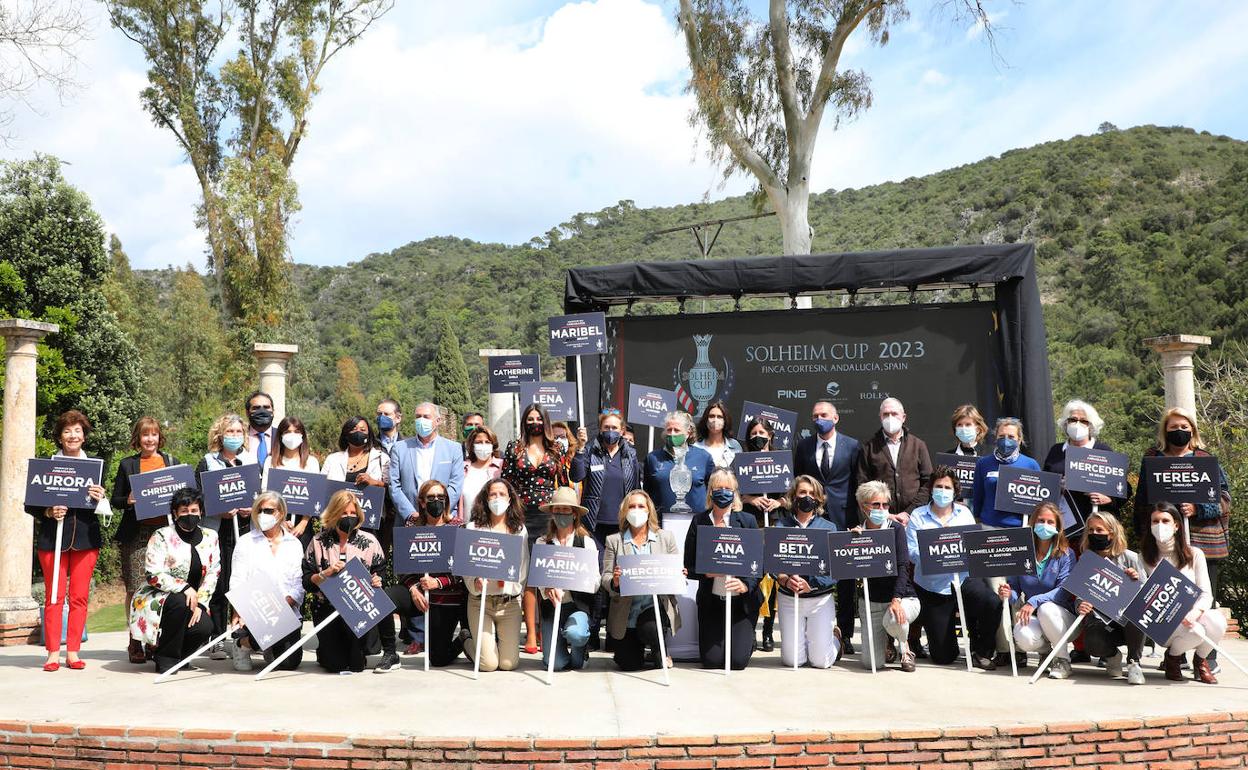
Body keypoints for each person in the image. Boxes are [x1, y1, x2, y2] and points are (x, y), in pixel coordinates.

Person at [28, 410, 108, 671]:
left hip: (86, 540)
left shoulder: (97, 467)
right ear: (60, 437)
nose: (73, 435)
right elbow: (30, 503)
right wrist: (48, 511)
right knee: (54, 596)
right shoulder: (46, 465)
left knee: (79, 596)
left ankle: (73, 651)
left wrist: (101, 498)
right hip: (53, 540)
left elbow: (104, 509)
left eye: (77, 431)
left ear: (84, 436)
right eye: (67, 431)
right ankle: (52, 652)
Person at [906, 467, 1002, 669]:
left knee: (991, 602)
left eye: (947, 487)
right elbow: (912, 552)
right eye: (938, 486)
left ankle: (982, 650)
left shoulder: (964, 513)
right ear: (931, 489)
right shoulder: (918, 516)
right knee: (943, 657)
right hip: (933, 587)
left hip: (963, 579)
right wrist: (937, 546)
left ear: (955, 490)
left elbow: (973, 547)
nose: (942, 491)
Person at [1133, 407, 1231, 603]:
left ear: (1192, 430)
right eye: (1174, 426)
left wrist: (1198, 508)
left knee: (1203, 602)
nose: (1179, 430)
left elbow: (1224, 498)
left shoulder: (1205, 459)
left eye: (1184, 426)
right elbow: (1142, 499)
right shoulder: (1152, 459)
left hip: (1203, 542)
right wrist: (1143, 533)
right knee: (1166, 603)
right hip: (1163, 545)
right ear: (1165, 430)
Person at [373, 480, 466, 672]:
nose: (436, 501)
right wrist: (414, 588)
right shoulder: (412, 526)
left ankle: (463, 638)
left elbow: (464, 571)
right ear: (422, 502)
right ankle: (390, 653)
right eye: (431, 498)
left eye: (441, 498)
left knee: (438, 658)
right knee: (382, 599)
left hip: (446, 598)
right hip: (418, 593)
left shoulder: (458, 527)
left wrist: (438, 582)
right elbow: (403, 566)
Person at [793, 400, 862, 652]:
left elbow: (857, 483)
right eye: (814, 415)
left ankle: (844, 634)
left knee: (844, 579)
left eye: (823, 414)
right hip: (813, 519)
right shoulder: (803, 446)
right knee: (811, 569)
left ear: (835, 418)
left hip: (843, 518)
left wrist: (857, 521)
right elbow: (799, 481)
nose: (818, 418)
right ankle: (808, 630)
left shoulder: (853, 446)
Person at [502, 403, 571, 653]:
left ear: (545, 421)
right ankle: (530, 634)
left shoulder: (556, 448)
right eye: (529, 419)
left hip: (549, 515)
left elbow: (564, 482)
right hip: (521, 515)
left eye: (538, 418)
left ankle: (546, 631)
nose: (534, 423)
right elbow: (507, 482)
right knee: (529, 575)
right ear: (524, 422)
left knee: (546, 573)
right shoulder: (514, 447)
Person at [129, 487, 220, 675]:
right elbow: (153, 573)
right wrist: (185, 587)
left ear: (201, 512)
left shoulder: (212, 537)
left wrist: (201, 603)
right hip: (159, 595)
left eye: (194, 510)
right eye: (184, 511)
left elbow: (213, 572)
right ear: (175, 513)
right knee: (180, 602)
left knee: (205, 627)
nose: (190, 515)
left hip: (194, 598)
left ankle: (180, 656)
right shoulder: (161, 535)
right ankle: (166, 658)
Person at [572, 408, 642, 649]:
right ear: (600, 429)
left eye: (615, 428)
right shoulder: (591, 451)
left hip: (623, 527)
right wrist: (580, 448)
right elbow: (576, 474)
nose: (610, 432)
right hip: (594, 526)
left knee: (618, 579)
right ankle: (591, 631)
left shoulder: (630, 454)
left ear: (622, 430)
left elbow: (635, 486)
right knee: (596, 579)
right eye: (606, 428)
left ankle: (614, 634)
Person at [683, 468, 763, 670]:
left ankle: (747, 641)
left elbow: (759, 564)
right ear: (710, 491)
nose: (723, 492)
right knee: (712, 661)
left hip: (741, 603)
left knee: (736, 662)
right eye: (718, 488)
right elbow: (689, 564)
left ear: (735, 492)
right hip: (712, 602)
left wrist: (745, 584)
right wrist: (706, 572)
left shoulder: (747, 521)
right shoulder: (699, 521)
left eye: (728, 488)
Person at [111, 416, 175, 664]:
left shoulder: (171, 462)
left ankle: (155, 640)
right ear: (138, 438)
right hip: (136, 534)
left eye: (154, 434)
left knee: (163, 588)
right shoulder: (128, 465)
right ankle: (135, 641)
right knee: (135, 589)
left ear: (160, 437)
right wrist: (127, 500)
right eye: (145, 435)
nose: (150, 439)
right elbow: (116, 500)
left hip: (165, 534)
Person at [1140, 502, 1227, 684]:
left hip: (1192, 616)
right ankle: (1173, 658)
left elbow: (1206, 594)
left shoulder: (1194, 554)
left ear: (1176, 525)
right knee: (1196, 632)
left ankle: (1200, 661)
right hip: (1163, 622)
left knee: (1217, 621)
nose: (1160, 525)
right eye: (1155, 521)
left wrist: (1195, 612)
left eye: (1165, 520)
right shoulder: (1143, 557)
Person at [301, 490, 387, 674]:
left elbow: (381, 571)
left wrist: (378, 579)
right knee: (335, 665)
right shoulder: (318, 541)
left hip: (358, 609)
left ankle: (363, 647)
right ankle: (325, 650)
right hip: (327, 608)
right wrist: (326, 573)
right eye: (344, 513)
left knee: (356, 665)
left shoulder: (370, 541)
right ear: (334, 514)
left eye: (352, 513)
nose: (349, 517)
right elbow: (307, 582)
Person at [194, 412, 257, 658]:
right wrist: (218, 510)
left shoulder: (250, 460)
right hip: (217, 532)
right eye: (230, 432)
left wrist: (250, 508)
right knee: (219, 586)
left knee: (244, 583)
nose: (234, 436)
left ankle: (244, 638)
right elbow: (199, 498)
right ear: (220, 434)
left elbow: (259, 493)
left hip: (245, 530)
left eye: (238, 432)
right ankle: (216, 639)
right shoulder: (208, 461)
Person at [601, 491, 682, 671]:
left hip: (652, 607)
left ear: (649, 510)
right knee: (628, 665)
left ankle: (659, 649)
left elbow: (676, 571)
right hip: (626, 612)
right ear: (624, 511)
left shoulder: (665, 538)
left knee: (651, 628)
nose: (636, 510)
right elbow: (604, 577)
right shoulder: (614, 541)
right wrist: (614, 581)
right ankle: (637, 650)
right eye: (631, 506)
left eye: (641, 506)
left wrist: (678, 574)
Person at [998, 501, 1076, 677]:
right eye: (1041, 521)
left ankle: (1062, 660)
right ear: (1032, 523)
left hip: (1063, 617)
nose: (1045, 526)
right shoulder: (1021, 551)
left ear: (1058, 527)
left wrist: (1034, 601)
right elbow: (1016, 590)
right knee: (1022, 635)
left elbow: (1064, 591)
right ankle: (1046, 653)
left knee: (1046, 608)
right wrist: (1008, 594)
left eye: (1050, 522)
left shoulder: (1066, 554)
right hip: (1036, 616)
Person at [229, 491, 305, 672]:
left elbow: (299, 583)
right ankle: (243, 644)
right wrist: (239, 610)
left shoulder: (294, 544)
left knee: (289, 663)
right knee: (263, 626)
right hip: (255, 610)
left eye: (269, 511)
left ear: (281, 512)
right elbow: (237, 579)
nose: (264, 515)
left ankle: (270, 646)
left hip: (286, 610)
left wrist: (284, 604)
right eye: (260, 510)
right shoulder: (246, 542)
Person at [772, 475, 839, 669]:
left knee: (820, 662)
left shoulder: (829, 528)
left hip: (819, 599)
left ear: (818, 499)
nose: (807, 497)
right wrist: (784, 580)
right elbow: (774, 566)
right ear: (794, 496)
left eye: (812, 493)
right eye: (802, 492)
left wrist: (814, 584)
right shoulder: (781, 526)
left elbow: (835, 569)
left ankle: (835, 639)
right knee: (793, 661)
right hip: (789, 599)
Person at [463, 478, 529, 672]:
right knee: (488, 665)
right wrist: (475, 582)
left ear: (510, 499)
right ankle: (466, 640)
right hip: (480, 603)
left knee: (508, 664)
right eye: (493, 494)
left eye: (502, 494)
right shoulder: (473, 528)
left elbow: (523, 567)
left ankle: (495, 645)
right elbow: (466, 566)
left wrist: (513, 589)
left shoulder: (519, 530)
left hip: (509, 604)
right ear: (485, 498)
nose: (497, 498)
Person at [854, 481, 920, 672]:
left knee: (893, 618)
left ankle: (905, 646)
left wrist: (897, 599)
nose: (881, 509)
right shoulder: (857, 533)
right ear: (863, 506)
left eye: (885, 505)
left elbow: (903, 566)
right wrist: (851, 544)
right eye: (876, 504)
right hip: (872, 601)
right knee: (870, 663)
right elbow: (848, 569)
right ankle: (885, 644)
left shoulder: (896, 529)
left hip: (902, 597)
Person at [1073, 511, 1145, 684]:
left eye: (1099, 530)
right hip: (1101, 622)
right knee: (1092, 643)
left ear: (1111, 533)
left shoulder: (1130, 557)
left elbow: (1146, 595)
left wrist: (1135, 581)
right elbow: (1078, 594)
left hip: (1128, 623)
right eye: (1090, 530)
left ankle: (1134, 663)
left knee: (1136, 616)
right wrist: (1080, 605)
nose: (1094, 534)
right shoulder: (1086, 560)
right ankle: (1112, 657)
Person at [1043, 399, 1129, 533]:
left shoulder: (1104, 451)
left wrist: (1109, 499)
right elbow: (1045, 485)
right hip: (1062, 525)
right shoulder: (1056, 451)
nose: (1077, 424)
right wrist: (1056, 487)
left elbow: (1124, 489)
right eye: (1073, 420)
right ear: (1066, 423)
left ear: (1091, 426)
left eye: (1083, 421)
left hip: (1097, 527)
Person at [535, 487, 596, 671]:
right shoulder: (542, 542)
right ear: (552, 513)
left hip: (577, 605)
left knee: (576, 635)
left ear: (575, 514)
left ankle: (580, 650)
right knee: (555, 664)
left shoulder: (586, 543)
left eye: (566, 510)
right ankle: (559, 651)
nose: (561, 513)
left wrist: (576, 579)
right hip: (551, 608)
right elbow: (538, 579)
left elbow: (595, 581)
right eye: (557, 509)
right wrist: (547, 589)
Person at [739, 418, 781, 651]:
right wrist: (750, 499)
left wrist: (778, 502)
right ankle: (750, 630)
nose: (758, 436)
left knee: (772, 580)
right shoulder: (742, 462)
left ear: (771, 434)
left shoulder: (781, 460)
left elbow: (790, 493)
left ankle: (767, 631)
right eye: (754, 433)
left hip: (773, 525)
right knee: (752, 577)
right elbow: (734, 491)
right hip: (751, 525)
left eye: (762, 432)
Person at [856, 398, 933, 521]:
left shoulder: (918, 445)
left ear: (903, 417)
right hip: (881, 519)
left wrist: (909, 512)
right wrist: (885, 514)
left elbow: (928, 482)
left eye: (894, 414)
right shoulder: (868, 448)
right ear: (880, 417)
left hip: (915, 518)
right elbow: (863, 484)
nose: (890, 418)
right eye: (886, 414)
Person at [389, 402, 466, 525]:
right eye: (418, 416)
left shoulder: (453, 449)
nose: (421, 420)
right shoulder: (399, 448)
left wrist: (441, 510)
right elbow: (394, 486)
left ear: (438, 421)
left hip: (442, 519)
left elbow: (456, 484)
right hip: (410, 520)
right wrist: (410, 513)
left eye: (426, 417)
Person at [972, 417, 1042, 528]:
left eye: (1011, 437)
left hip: (1019, 527)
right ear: (996, 438)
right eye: (1001, 436)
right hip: (988, 526)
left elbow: (1039, 501)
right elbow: (978, 496)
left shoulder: (1031, 465)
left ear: (1019, 440)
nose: (1006, 440)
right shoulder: (983, 463)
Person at [643, 410, 713, 517]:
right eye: (669, 430)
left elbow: (713, 490)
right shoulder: (652, 458)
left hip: (695, 523)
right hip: (662, 524)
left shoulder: (704, 457)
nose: (672, 434)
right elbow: (647, 493)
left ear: (688, 433)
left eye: (676, 430)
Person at [264, 415, 321, 546]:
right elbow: (265, 493)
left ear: (303, 435)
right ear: (280, 435)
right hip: (275, 521)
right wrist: (280, 520)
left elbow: (314, 495)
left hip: (303, 524)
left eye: (296, 432)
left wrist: (304, 523)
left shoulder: (311, 462)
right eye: (287, 432)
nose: (292, 435)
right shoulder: (270, 461)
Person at [461, 426, 504, 520]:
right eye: (479, 442)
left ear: (493, 445)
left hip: (495, 527)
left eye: (487, 442)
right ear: (472, 446)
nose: (483, 445)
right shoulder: (462, 468)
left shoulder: (502, 467)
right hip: (466, 527)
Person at [693, 399, 743, 469]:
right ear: (706, 420)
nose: (715, 420)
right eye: (711, 416)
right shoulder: (696, 446)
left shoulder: (735, 445)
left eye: (719, 417)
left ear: (725, 420)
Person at [244, 391, 278, 468]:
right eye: (256, 408)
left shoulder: (282, 436)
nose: (262, 411)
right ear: (247, 412)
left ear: (273, 411)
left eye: (266, 407)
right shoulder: (238, 437)